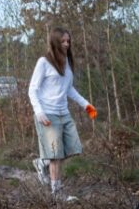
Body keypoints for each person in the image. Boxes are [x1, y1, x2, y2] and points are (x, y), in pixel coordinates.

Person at [27, 29, 97, 198]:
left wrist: (87, 106)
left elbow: (69, 89)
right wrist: (39, 111)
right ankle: (57, 193)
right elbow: (32, 89)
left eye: (68, 41)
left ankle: (43, 162)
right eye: (63, 41)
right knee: (56, 157)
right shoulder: (44, 62)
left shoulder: (67, 62)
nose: (67, 44)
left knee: (74, 148)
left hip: (63, 113)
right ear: (55, 42)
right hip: (47, 114)